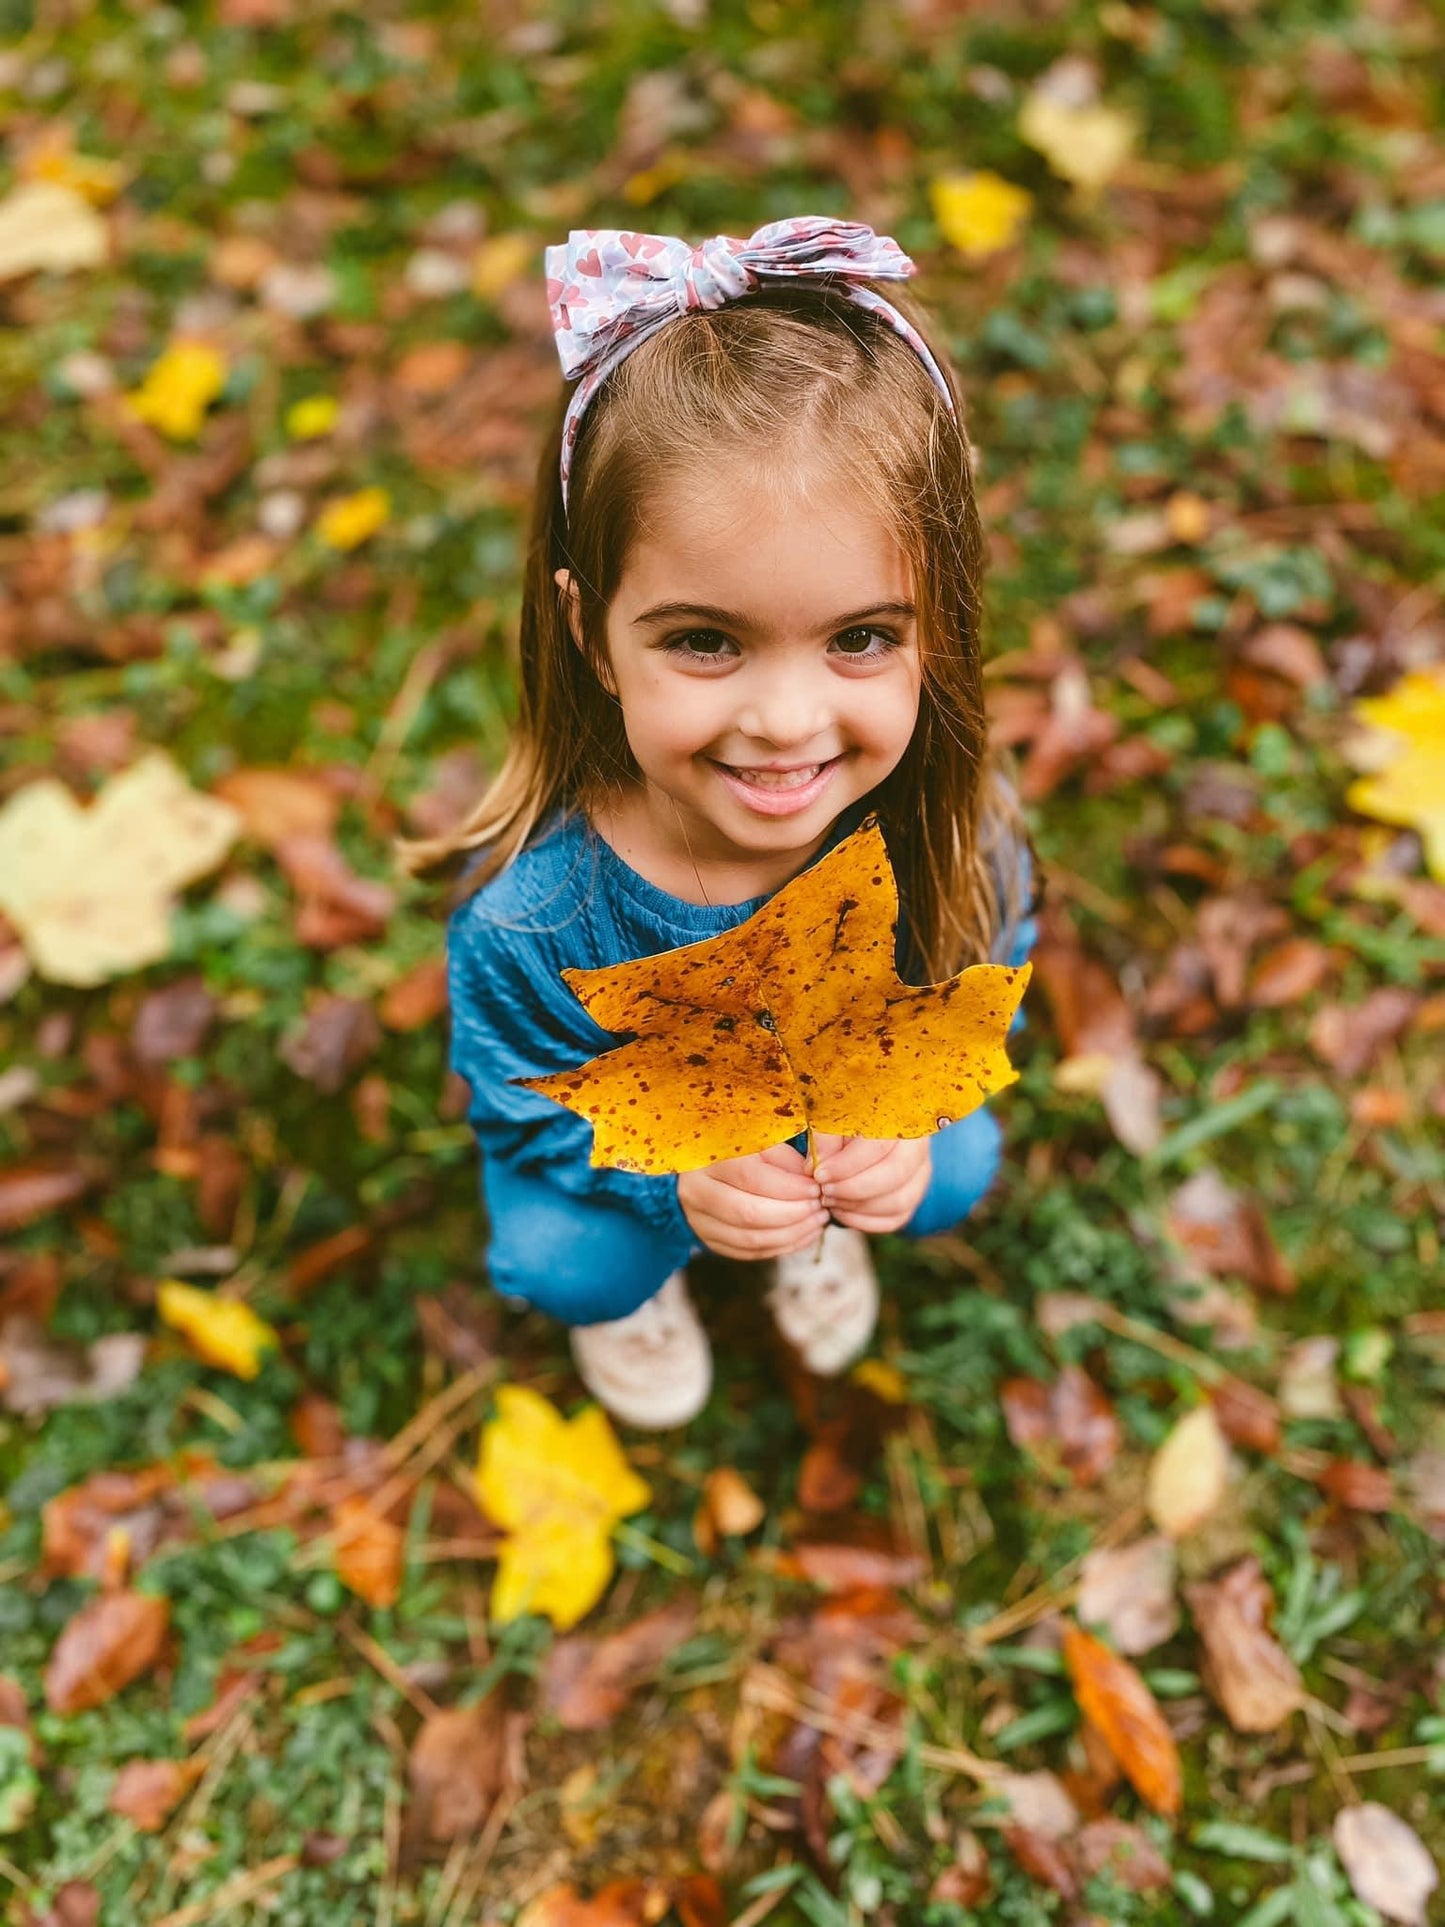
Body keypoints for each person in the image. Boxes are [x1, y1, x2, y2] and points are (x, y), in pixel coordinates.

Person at [409, 218, 1037, 1431]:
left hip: (839, 1121)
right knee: (563, 1260)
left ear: (934, 626)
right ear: (592, 633)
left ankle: (821, 1229)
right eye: (705, 640)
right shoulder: (538, 918)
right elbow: (522, 1103)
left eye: (859, 637)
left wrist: (904, 1116)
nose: (786, 720)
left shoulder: (944, 839)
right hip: (647, 1160)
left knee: (957, 1168)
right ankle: (643, 1288)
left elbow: (988, 958)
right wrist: (669, 1179)